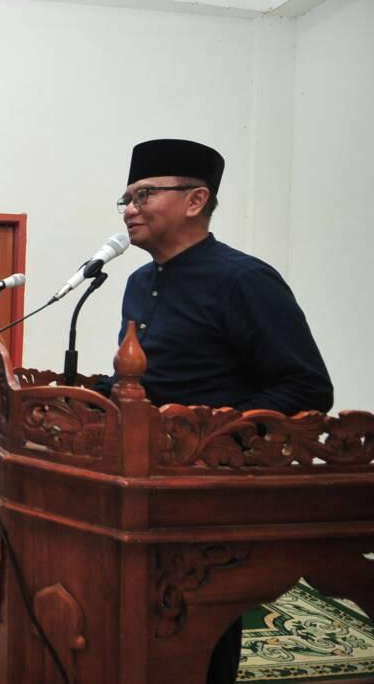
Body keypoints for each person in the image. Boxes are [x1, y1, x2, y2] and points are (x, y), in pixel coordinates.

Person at [105, 138, 334, 684]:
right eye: (126, 197)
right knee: (136, 628)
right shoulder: (138, 282)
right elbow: (147, 380)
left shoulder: (244, 280)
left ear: (195, 200)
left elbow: (305, 385)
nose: (129, 209)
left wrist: (211, 434)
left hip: (207, 494)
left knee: (198, 635)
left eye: (144, 195)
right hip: (139, 486)